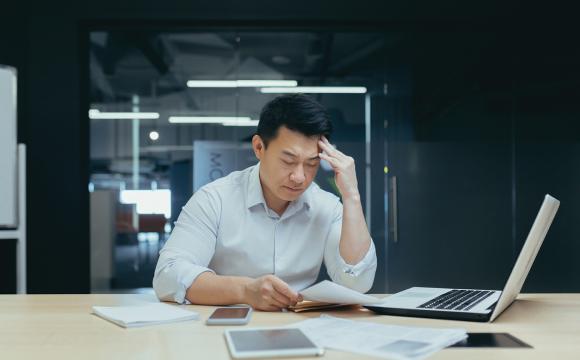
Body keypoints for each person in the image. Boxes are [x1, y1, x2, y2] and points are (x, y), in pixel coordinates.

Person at [153, 94, 377, 311]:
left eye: (311, 163)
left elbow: (357, 284)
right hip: (224, 325)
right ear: (259, 147)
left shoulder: (327, 207)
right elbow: (167, 276)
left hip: (300, 327)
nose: (299, 177)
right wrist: (244, 291)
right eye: (288, 160)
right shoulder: (215, 199)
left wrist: (352, 196)